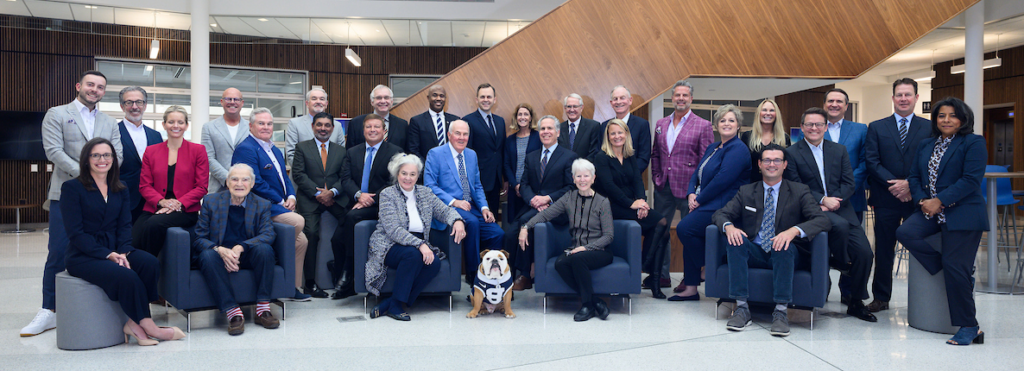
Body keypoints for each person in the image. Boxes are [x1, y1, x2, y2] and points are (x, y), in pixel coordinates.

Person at [25, 70, 124, 337]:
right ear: (79, 85)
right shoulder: (57, 114)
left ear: (104, 92)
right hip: (66, 193)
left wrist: (100, 177)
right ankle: (49, 310)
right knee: (58, 251)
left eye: (100, 87)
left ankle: (96, 305)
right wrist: (86, 176)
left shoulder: (110, 122)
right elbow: (54, 151)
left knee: (100, 249)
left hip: (102, 196)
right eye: (90, 84)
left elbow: (118, 155)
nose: (95, 89)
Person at [60, 137, 185, 345]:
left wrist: (125, 251)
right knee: (127, 276)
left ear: (113, 159)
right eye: (96, 155)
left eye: (107, 155)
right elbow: (75, 234)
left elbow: (125, 225)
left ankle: (134, 323)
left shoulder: (121, 188)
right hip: (84, 255)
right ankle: (150, 326)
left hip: (117, 249)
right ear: (86, 159)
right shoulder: (72, 188)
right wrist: (107, 254)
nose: (103, 159)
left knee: (149, 263)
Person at [896, 97, 988, 346]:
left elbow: (970, 180)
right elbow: (914, 176)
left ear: (963, 118)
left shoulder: (973, 142)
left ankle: (970, 326)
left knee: (956, 268)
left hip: (963, 213)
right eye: (941, 116)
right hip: (931, 210)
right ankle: (942, 266)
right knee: (905, 232)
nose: (946, 120)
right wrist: (923, 200)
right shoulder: (927, 144)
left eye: (952, 115)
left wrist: (940, 201)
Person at [714, 144, 831, 337]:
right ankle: (742, 308)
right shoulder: (746, 191)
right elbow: (721, 214)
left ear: (785, 165)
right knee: (735, 241)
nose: (772, 164)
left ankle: (781, 312)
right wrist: (730, 227)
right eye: (767, 160)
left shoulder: (799, 191)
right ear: (759, 164)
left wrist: (793, 231)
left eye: (777, 160)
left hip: (787, 252)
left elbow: (822, 219)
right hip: (758, 251)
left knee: (782, 245)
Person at [784, 107, 876, 322]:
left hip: (842, 208)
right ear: (803, 127)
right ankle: (841, 260)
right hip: (810, 211)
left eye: (818, 124)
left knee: (865, 254)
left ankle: (856, 301)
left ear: (826, 127)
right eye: (809, 124)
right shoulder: (792, 153)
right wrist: (821, 200)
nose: (814, 128)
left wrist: (834, 202)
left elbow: (849, 183)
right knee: (838, 227)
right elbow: (796, 185)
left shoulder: (839, 150)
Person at [366, 154, 467, 321]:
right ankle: (397, 306)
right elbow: (393, 230)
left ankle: (390, 303)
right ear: (397, 173)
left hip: (417, 242)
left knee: (433, 263)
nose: (408, 178)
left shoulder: (425, 193)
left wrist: (457, 221)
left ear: (417, 175)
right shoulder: (387, 194)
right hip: (388, 244)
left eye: (412, 174)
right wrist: (420, 245)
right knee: (412, 255)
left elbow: (444, 210)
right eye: (404, 173)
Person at [864, 78, 933, 313]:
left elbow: (929, 163)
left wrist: (909, 186)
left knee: (920, 245)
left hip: (918, 199)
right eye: (899, 95)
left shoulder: (929, 128)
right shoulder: (876, 127)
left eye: (908, 94)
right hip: (885, 198)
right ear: (893, 98)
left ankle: (924, 297)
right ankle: (881, 298)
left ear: (916, 98)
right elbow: (872, 162)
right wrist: (894, 185)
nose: (903, 99)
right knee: (883, 249)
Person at [671, 105, 751, 301]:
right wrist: (691, 193)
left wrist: (698, 199)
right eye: (722, 120)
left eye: (731, 120)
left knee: (684, 228)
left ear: (738, 125)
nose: (726, 124)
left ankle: (707, 266)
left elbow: (722, 180)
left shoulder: (738, 149)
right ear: (716, 125)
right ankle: (690, 289)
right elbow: (696, 174)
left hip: (724, 205)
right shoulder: (712, 147)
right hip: (706, 201)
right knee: (691, 235)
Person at [518, 159, 614, 322]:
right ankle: (595, 302)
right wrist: (526, 227)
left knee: (576, 259)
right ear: (573, 178)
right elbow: (546, 214)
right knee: (560, 263)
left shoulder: (603, 202)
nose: (582, 180)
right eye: (578, 176)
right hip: (575, 249)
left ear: (593, 178)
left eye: (586, 176)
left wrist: (586, 248)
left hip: (600, 252)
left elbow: (608, 236)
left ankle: (586, 306)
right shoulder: (569, 197)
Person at [232, 107, 310, 301]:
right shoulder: (246, 149)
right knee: (297, 222)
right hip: (259, 206)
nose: (266, 127)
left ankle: (292, 288)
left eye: (269, 123)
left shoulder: (274, 148)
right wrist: (280, 200)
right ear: (251, 126)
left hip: (278, 204)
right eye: (261, 123)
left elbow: (285, 176)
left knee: (302, 241)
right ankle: (272, 251)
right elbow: (255, 182)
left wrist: (291, 196)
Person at [193, 163, 281, 335]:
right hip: (219, 255)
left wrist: (241, 247)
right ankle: (233, 313)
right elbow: (199, 238)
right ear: (227, 182)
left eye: (245, 180)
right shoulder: (211, 201)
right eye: (234, 179)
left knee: (265, 250)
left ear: (252, 184)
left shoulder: (262, 204)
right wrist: (220, 250)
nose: (239, 184)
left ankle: (263, 308)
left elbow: (268, 234)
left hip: (248, 254)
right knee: (207, 256)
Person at [592, 119, 671, 298]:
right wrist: (631, 204)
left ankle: (651, 275)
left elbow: (637, 181)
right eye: (613, 133)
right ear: (608, 136)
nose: (617, 136)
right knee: (661, 223)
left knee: (663, 228)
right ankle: (648, 271)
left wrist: (642, 201)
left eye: (620, 133)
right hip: (610, 205)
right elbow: (609, 186)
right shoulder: (601, 157)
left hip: (631, 203)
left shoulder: (630, 156)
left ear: (626, 134)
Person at [425, 120, 506, 284]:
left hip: (472, 206)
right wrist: (455, 201)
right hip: (448, 207)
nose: (462, 138)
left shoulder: (471, 155)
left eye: (465, 134)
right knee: (473, 223)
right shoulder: (435, 154)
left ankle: (492, 275)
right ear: (449, 135)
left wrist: (484, 207)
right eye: (457, 133)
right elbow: (429, 186)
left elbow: (477, 184)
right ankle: (474, 275)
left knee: (498, 233)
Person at [651, 80, 714, 292]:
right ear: (672, 98)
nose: (680, 99)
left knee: (689, 233)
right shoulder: (661, 124)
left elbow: (707, 161)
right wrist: (656, 177)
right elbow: (656, 154)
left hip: (690, 191)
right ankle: (662, 276)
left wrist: (698, 191)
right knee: (660, 231)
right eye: (677, 95)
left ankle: (690, 278)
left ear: (691, 99)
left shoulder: (703, 125)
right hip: (664, 187)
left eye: (684, 95)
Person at [503, 115, 577, 291]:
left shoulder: (569, 156)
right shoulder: (531, 156)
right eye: (542, 129)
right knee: (508, 234)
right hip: (533, 206)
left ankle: (526, 275)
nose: (545, 132)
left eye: (550, 128)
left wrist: (548, 198)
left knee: (525, 224)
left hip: (557, 209)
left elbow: (571, 187)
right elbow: (524, 183)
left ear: (558, 132)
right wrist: (534, 201)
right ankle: (506, 277)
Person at [333, 114, 403, 299]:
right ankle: (343, 278)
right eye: (368, 127)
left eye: (376, 127)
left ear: (384, 131)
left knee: (351, 218)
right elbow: (345, 179)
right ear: (363, 131)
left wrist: (370, 199)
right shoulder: (353, 152)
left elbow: (394, 181)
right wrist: (358, 195)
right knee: (336, 239)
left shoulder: (395, 152)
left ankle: (348, 275)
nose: (372, 130)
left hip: (381, 205)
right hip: (355, 201)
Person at [133, 106, 209, 257]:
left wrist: (177, 204)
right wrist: (162, 202)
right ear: (164, 125)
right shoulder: (151, 151)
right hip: (155, 206)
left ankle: (151, 268)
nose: (176, 126)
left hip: (185, 209)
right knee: (133, 239)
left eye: (180, 122)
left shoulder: (198, 150)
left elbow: (201, 187)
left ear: (186, 125)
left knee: (153, 224)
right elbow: (144, 185)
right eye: (171, 122)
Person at [292, 112, 349, 298]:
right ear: (313, 126)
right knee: (311, 234)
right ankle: (309, 284)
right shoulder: (302, 147)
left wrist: (332, 192)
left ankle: (344, 276)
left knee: (350, 223)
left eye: (327, 125)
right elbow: (299, 174)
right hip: (310, 198)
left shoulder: (341, 150)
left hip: (335, 198)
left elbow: (345, 177)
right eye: (319, 125)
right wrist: (318, 194)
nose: (323, 128)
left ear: (333, 128)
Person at [116, 86, 163, 222]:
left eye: (139, 102)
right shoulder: (113, 133)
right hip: (123, 197)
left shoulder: (155, 135)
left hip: (152, 200)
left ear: (145, 105)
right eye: (129, 102)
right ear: (122, 106)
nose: (134, 106)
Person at [823, 88, 868, 222]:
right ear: (824, 105)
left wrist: (846, 189)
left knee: (853, 241)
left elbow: (865, 162)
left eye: (839, 101)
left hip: (852, 197)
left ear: (846, 106)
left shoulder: (860, 129)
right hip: (822, 200)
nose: (834, 104)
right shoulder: (812, 129)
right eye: (830, 101)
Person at [462, 83, 506, 219]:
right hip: (478, 180)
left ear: (495, 99)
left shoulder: (500, 121)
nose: (485, 99)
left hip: (496, 180)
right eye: (482, 97)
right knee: (478, 219)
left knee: (491, 217)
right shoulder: (467, 120)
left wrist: (504, 178)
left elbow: (501, 150)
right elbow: (466, 152)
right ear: (476, 100)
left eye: (489, 96)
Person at [202, 88, 249, 193]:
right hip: (219, 188)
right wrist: (229, 179)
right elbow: (208, 158)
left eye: (236, 99)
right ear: (222, 102)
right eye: (228, 99)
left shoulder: (251, 127)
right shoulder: (209, 127)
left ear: (242, 103)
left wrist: (241, 180)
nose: (232, 102)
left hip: (247, 188)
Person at [503, 103, 542, 226]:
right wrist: (515, 185)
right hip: (515, 190)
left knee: (530, 223)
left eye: (526, 114)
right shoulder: (510, 139)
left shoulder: (539, 137)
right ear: (516, 117)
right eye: (520, 114)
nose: (522, 117)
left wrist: (525, 188)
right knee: (514, 224)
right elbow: (506, 164)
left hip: (533, 190)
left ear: (531, 118)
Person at [285, 87, 343, 167]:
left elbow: (341, 154)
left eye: (322, 99)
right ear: (307, 103)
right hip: (303, 177)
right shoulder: (295, 124)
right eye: (314, 98)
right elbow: (291, 154)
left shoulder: (337, 125)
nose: (318, 102)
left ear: (326, 104)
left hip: (331, 177)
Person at [740, 99, 791, 183]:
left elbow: (787, 167)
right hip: (751, 186)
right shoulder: (747, 136)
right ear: (758, 114)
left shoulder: (784, 138)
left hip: (776, 186)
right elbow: (743, 164)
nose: (768, 113)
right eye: (764, 110)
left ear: (776, 114)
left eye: (772, 110)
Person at [604, 85, 652, 172]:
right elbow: (599, 153)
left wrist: (626, 175)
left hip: (632, 180)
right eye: (615, 99)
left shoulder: (642, 124)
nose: (619, 102)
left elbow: (644, 157)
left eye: (622, 98)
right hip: (608, 181)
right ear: (611, 103)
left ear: (630, 100)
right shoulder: (604, 126)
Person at [346, 84, 408, 151]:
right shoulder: (356, 123)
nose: (383, 101)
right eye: (379, 98)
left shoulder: (402, 125)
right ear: (372, 102)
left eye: (386, 97)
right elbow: (350, 152)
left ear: (392, 101)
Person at [408, 85, 460, 160]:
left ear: (445, 99)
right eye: (434, 95)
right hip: (427, 168)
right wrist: (429, 167)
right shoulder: (417, 121)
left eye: (442, 96)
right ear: (428, 98)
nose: (438, 99)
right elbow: (413, 150)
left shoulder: (455, 120)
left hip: (451, 168)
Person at [559, 93, 602, 159]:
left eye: (575, 106)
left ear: (581, 108)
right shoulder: (559, 128)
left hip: (585, 168)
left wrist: (581, 168)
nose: (572, 110)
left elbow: (594, 152)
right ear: (565, 108)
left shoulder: (593, 126)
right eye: (569, 106)